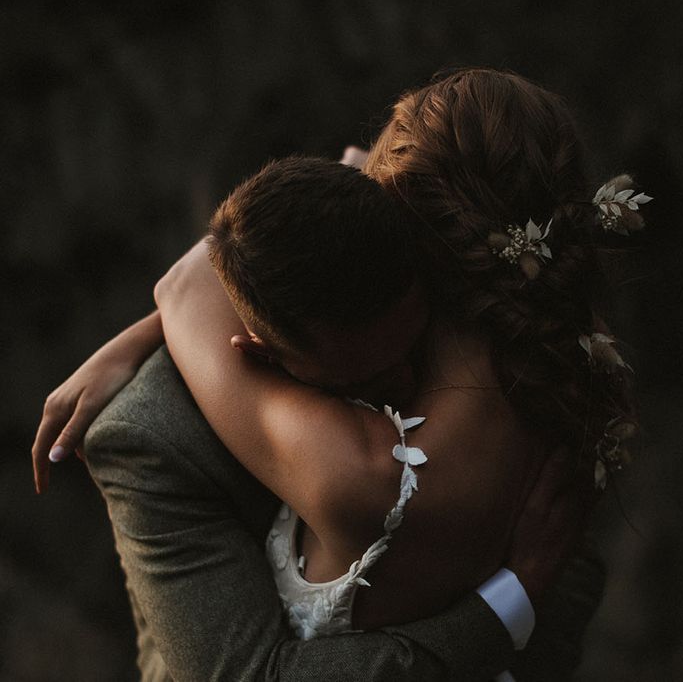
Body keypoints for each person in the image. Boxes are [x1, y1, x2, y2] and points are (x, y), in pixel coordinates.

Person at [31, 67, 648, 677]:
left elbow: (185, 282)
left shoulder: (371, 463)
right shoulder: (558, 360)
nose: (401, 385)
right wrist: (513, 602)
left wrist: (152, 321)